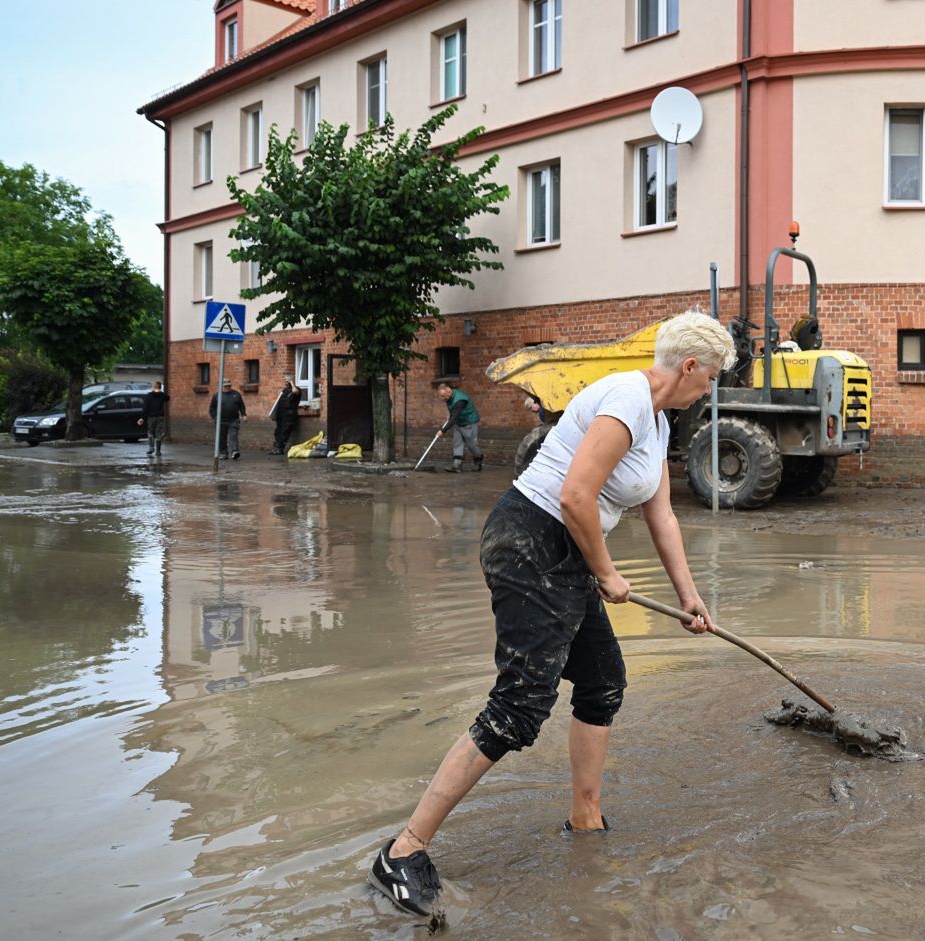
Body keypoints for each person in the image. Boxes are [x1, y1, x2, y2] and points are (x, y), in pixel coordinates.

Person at [369, 312, 734, 918]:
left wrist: (689, 595)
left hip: (563, 549)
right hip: (531, 539)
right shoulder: (625, 399)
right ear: (690, 366)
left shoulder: (659, 423)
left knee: (601, 683)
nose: (710, 391)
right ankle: (403, 850)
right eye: (711, 379)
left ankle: (584, 820)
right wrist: (608, 572)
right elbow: (574, 496)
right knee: (519, 708)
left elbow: (661, 515)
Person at [436, 381, 483, 472]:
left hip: (468, 422)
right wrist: (451, 415)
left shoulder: (460, 400)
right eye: (441, 396)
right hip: (459, 422)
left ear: (449, 392)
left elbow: (454, 417)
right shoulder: (449, 397)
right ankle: (457, 465)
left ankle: (478, 461)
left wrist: (443, 430)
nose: (442, 398)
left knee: (471, 445)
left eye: (443, 396)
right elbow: (454, 414)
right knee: (457, 442)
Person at [209, 378, 248, 459]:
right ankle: (223, 453)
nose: (227, 387)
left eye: (229, 386)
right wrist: (214, 417)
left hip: (233, 420)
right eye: (225, 386)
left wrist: (244, 415)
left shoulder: (236, 394)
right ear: (221, 386)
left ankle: (234, 451)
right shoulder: (217, 395)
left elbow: (241, 405)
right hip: (220, 421)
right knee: (221, 437)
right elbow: (212, 407)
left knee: (233, 436)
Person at [138, 381, 170, 458]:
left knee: (150, 432)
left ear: (153, 387)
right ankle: (158, 451)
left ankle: (151, 448)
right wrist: (160, 392)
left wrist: (142, 417)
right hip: (160, 416)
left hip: (151, 417)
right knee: (159, 433)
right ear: (159, 387)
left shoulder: (149, 396)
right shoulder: (162, 395)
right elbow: (168, 398)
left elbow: (145, 408)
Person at [269, 378, 301, 454]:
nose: (286, 382)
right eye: (285, 381)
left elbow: (295, 391)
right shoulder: (285, 391)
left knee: (284, 432)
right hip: (281, 414)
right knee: (278, 431)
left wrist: (292, 383)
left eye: (287, 381)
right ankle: (275, 448)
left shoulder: (296, 389)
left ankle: (280, 448)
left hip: (289, 415)